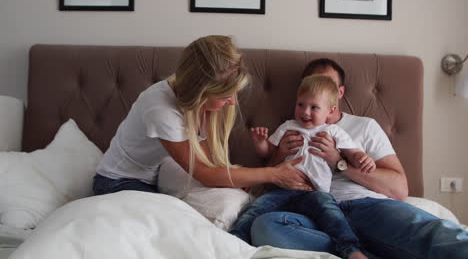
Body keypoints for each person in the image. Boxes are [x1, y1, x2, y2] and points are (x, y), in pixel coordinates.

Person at [246, 58, 468, 258]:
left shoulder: (364, 126)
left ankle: (359, 250)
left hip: (362, 205)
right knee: (265, 226)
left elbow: (399, 189)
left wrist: (339, 162)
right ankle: (356, 251)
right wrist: (279, 154)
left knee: (437, 234)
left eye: (327, 84)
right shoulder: (290, 128)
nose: (317, 90)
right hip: (310, 212)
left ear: (339, 93)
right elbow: (268, 184)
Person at [92, 35, 312, 197]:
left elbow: (207, 159)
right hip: (116, 183)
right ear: (200, 91)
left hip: (153, 178)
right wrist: (272, 174)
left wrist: (235, 179)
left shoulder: (200, 104)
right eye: (226, 95)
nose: (233, 102)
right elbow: (205, 173)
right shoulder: (160, 110)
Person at [230, 75, 375, 259]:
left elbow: (352, 153)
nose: (305, 112)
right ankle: (234, 241)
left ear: (330, 111)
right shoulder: (288, 127)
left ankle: (351, 250)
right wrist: (260, 143)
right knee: (255, 208)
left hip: (315, 193)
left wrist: (363, 157)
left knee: (333, 215)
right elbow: (267, 152)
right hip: (282, 190)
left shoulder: (332, 131)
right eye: (300, 105)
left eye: (314, 107)